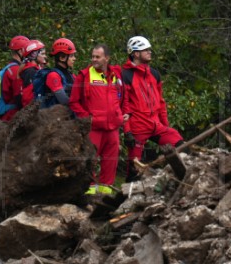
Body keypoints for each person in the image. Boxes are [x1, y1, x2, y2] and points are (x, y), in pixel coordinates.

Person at [121, 36, 184, 181]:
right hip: (137, 127)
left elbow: (161, 103)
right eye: (146, 50)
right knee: (134, 168)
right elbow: (124, 106)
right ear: (135, 53)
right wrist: (127, 131)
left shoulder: (154, 74)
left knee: (181, 146)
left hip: (156, 125)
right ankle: (125, 199)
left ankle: (179, 181)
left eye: (149, 49)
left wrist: (165, 126)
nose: (150, 52)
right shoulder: (125, 75)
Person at [69, 44, 124, 195]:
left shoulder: (115, 76)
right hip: (94, 127)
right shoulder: (85, 75)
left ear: (107, 58)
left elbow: (121, 98)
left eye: (97, 57)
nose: (94, 59)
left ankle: (106, 193)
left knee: (111, 161)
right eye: (93, 56)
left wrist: (121, 114)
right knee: (90, 161)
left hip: (113, 127)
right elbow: (74, 102)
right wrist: (88, 119)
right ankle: (88, 192)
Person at [0, 35, 30, 121]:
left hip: (9, 113)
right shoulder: (15, 70)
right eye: (27, 50)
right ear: (20, 51)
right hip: (12, 115)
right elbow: (19, 97)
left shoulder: (10, 67)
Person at [39, 38, 76, 107]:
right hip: (54, 115)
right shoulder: (53, 75)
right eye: (71, 56)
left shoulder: (71, 75)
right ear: (61, 58)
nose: (74, 58)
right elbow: (63, 100)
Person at [19, 39, 46, 108]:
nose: (45, 56)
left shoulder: (34, 69)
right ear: (33, 55)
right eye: (42, 54)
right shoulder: (31, 71)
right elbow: (28, 96)